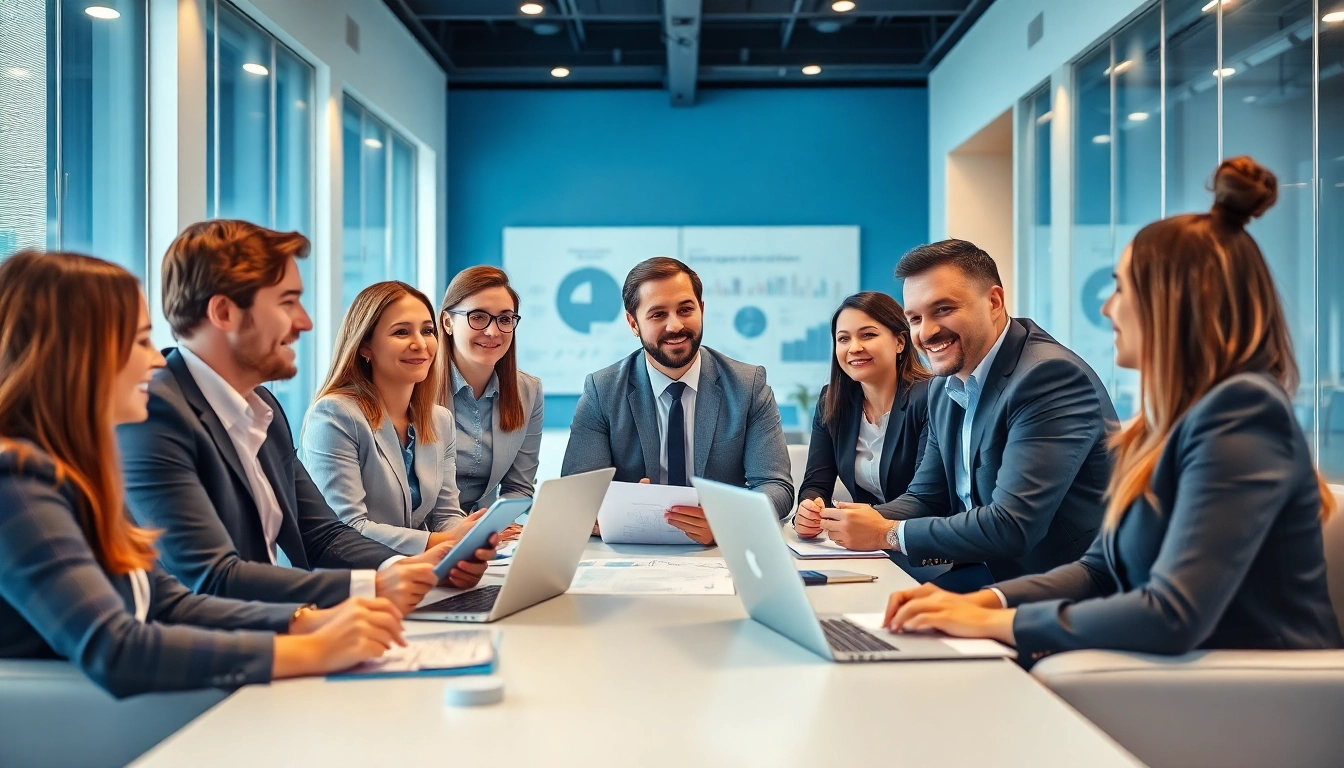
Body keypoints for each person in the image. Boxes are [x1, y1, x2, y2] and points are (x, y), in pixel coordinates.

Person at [881, 157, 1343, 666]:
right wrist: (979, 602)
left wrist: (996, 623)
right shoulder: (1167, 423)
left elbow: (1172, 613)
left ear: (1176, 301)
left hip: (1251, 693)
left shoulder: (1243, 414)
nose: (1107, 308)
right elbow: (1100, 568)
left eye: (1121, 287)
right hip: (1174, 673)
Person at [0, 251, 406, 698]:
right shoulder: (15, 483)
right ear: (75, 353)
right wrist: (312, 650)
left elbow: (168, 603)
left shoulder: (75, 473)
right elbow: (114, 648)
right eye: (138, 342)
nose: (156, 362)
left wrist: (306, 620)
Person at [117, 220, 496, 616]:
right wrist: (379, 583)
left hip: (268, 628)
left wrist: (422, 567)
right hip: (209, 651)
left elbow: (322, 534)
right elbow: (213, 577)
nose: (305, 322)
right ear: (224, 312)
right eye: (287, 302)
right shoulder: (153, 412)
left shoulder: (260, 406)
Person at [819, 239, 1116, 589]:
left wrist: (887, 533)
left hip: (1063, 587)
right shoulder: (945, 385)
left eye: (943, 310)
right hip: (989, 573)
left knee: (891, 622)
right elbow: (927, 497)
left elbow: (1012, 525)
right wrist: (845, 522)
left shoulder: (1047, 377)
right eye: (915, 318)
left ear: (994, 302)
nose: (926, 333)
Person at [562, 256, 793, 545]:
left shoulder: (748, 386)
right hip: (628, 552)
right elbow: (576, 494)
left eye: (685, 310)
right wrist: (614, 510)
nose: (675, 326)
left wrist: (726, 521)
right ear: (633, 323)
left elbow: (776, 486)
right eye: (658, 314)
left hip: (720, 555)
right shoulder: (602, 390)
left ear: (702, 310)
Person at [302, 281, 480, 556]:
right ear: (364, 347)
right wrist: (441, 543)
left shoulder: (439, 420)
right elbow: (346, 528)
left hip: (418, 574)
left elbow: (445, 516)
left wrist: (466, 545)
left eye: (427, 331)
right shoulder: (334, 415)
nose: (420, 344)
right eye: (401, 332)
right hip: (353, 583)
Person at [794, 292, 932, 539]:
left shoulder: (930, 398)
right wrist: (809, 509)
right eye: (843, 339)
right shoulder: (831, 402)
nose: (854, 348)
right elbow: (816, 484)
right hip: (864, 545)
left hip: (920, 543)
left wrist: (860, 519)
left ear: (900, 342)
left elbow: (927, 498)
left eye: (868, 335)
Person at [436, 266, 543, 513]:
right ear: (447, 322)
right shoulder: (415, 386)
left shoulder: (528, 391)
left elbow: (519, 488)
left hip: (485, 534)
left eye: (505, 319)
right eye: (478, 316)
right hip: (424, 535)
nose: (493, 331)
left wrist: (495, 525)